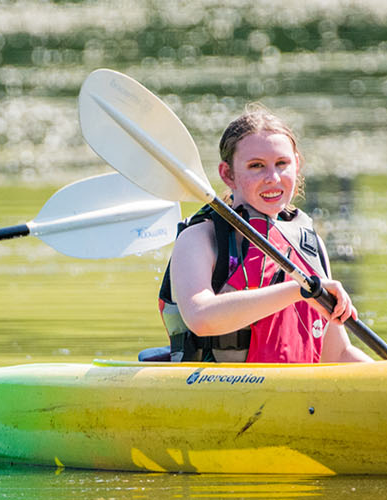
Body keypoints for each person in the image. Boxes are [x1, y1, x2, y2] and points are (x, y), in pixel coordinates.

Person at [156, 106, 371, 363]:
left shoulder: (309, 245)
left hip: (296, 396)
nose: (273, 178)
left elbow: (337, 353)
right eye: (256, 166)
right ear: (228, 174)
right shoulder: (200, 238)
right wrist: (298, 289)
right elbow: (200, 318)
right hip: (220, 391)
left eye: (282, 164)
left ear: (297, 165)